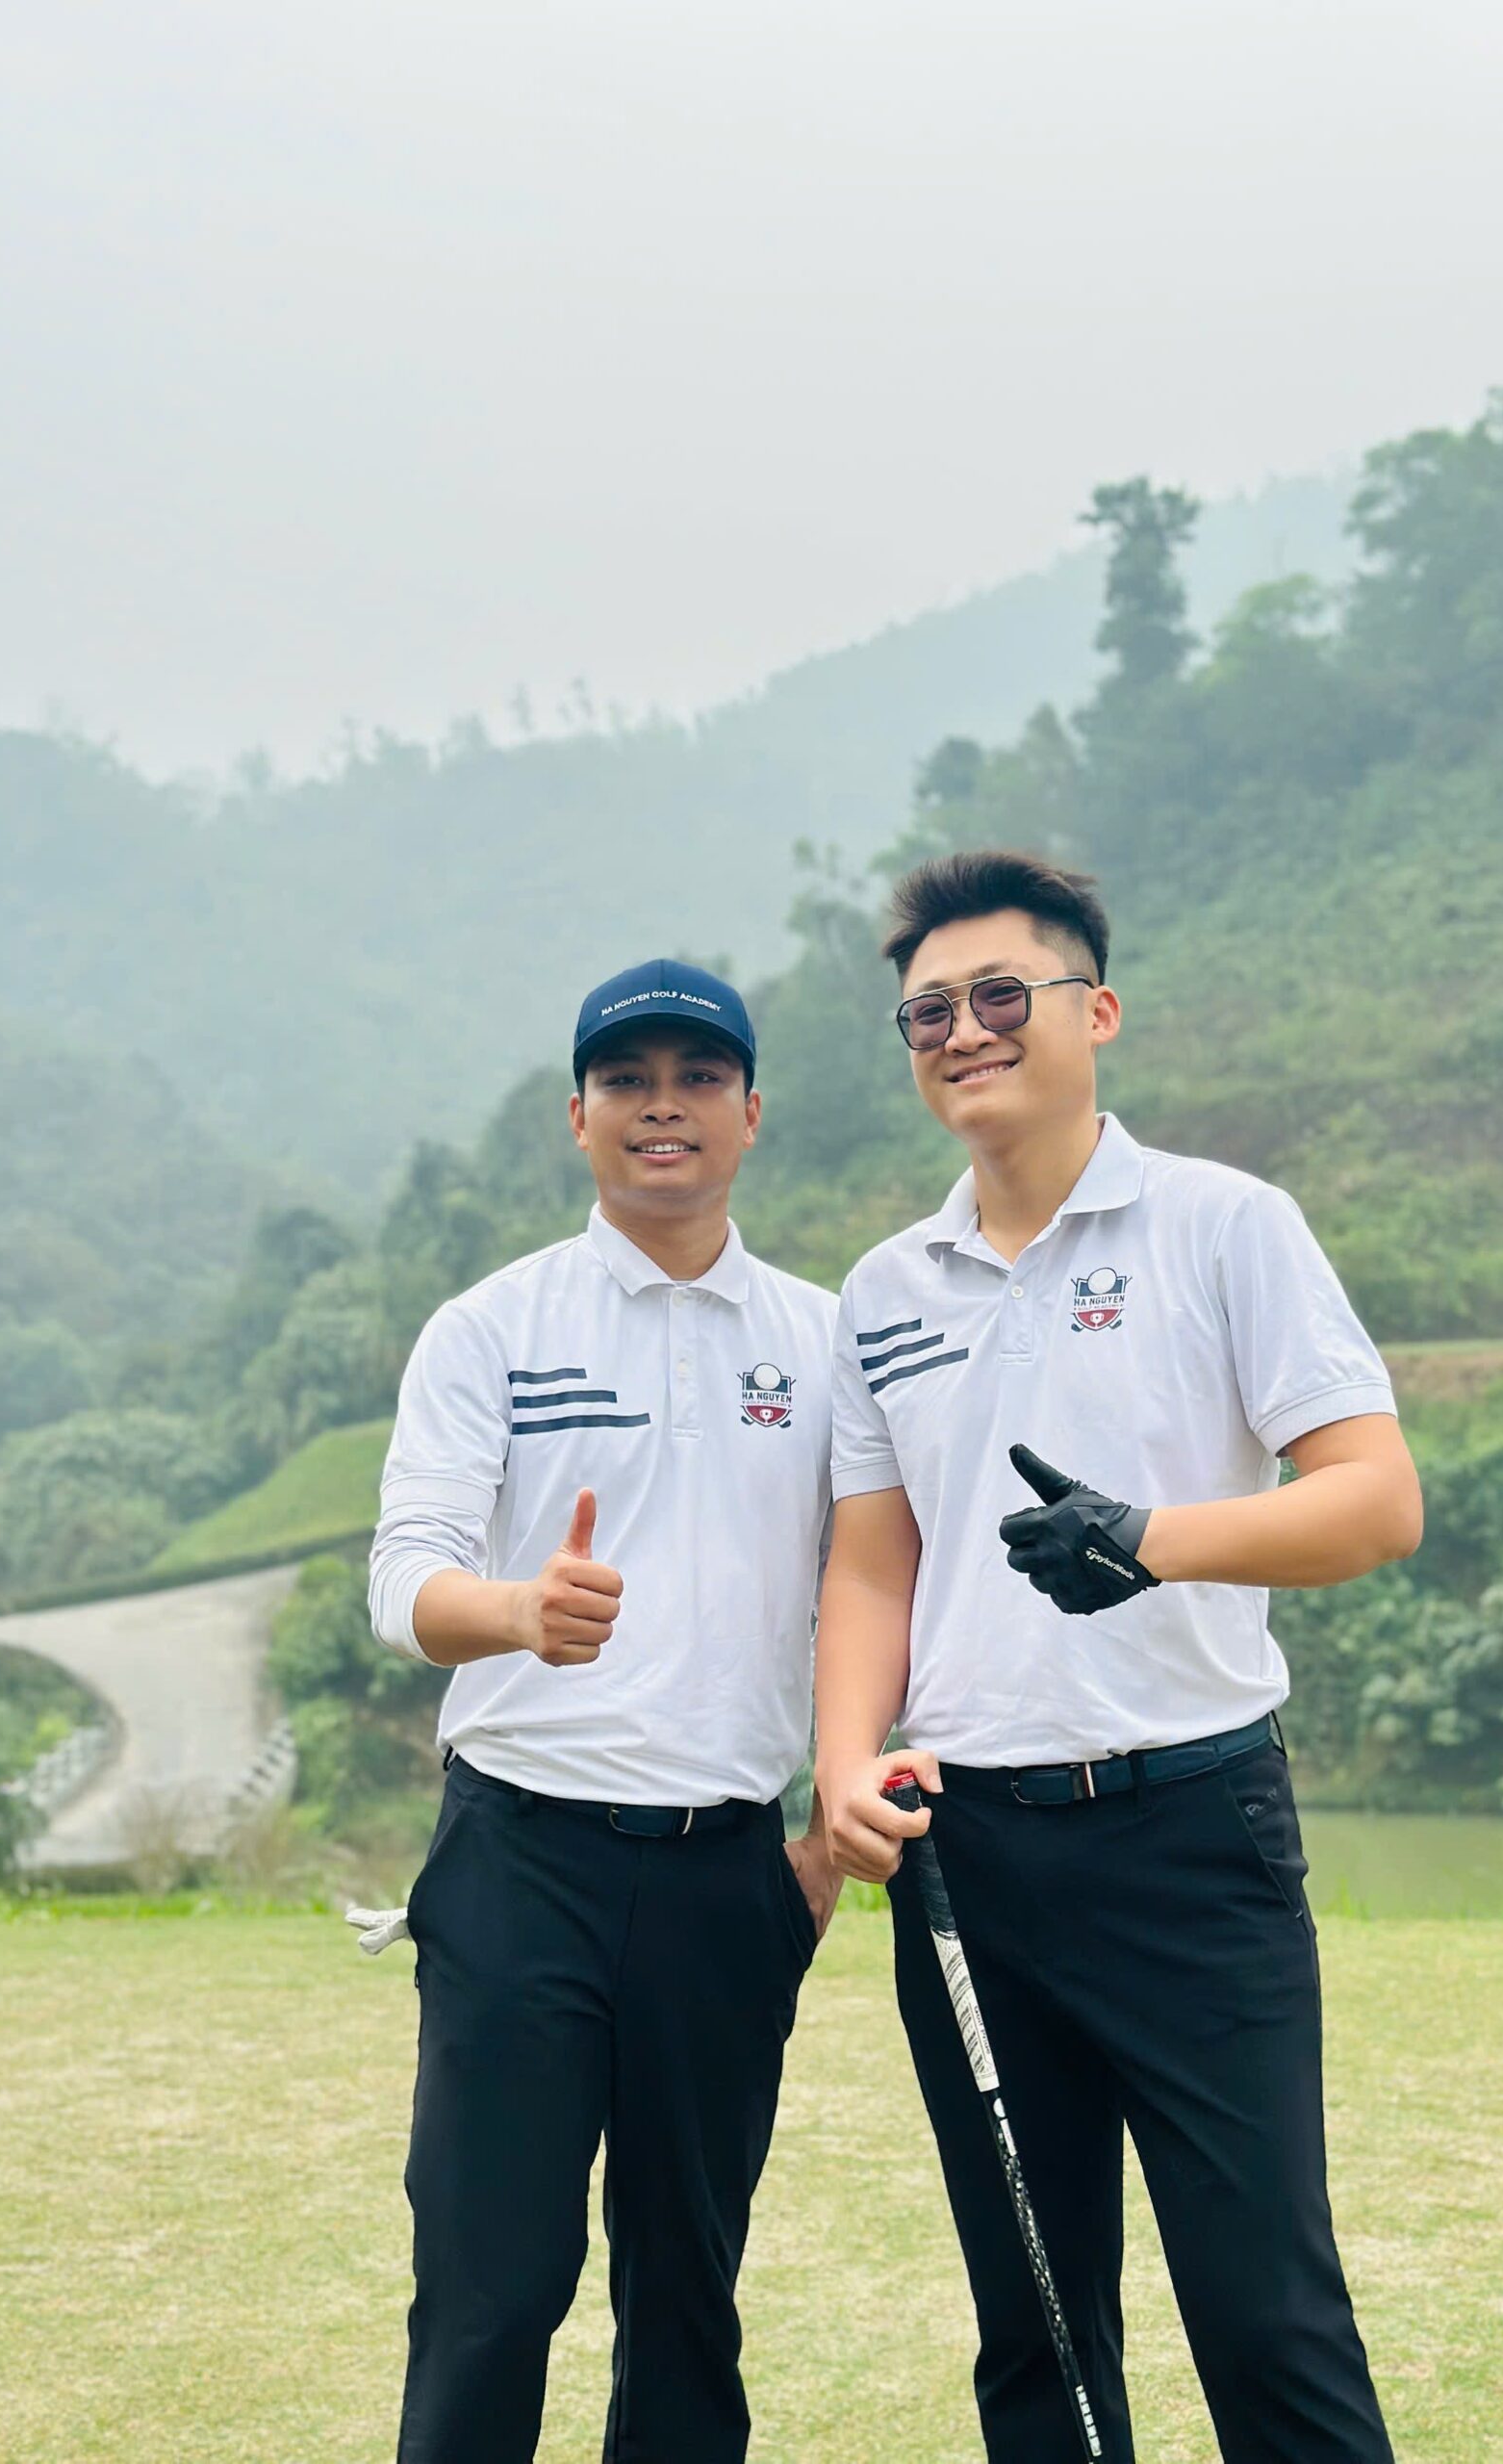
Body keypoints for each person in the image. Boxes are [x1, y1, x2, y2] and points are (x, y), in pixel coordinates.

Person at [815, 851, 1419, 2463]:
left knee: (1266, 2314)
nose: (963, 1031)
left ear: (1097, 1011)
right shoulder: (884, 1289)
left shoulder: (1223, 1225)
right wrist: (843, 1763)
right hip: (969, 1857)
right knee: (1038, 2331)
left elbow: (1374, 1500)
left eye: (1000, 995)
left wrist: (1149, 1538)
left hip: (1189, 1833)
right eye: (928, 1011)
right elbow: (873, 1562)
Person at [369, 958, 841, 2464]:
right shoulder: (491, 1327)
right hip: (523, 1866)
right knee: (492, 2291)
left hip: (728, 1873)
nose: (663, 1107)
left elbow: (877, 1595)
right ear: (578, 1116)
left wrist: (826, 1839)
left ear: (752, 1112)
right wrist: (520, 1613)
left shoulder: (827, 1343)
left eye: (699, 1078)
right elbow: (403, 1581)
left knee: (690, 2299)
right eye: (626, 1080)